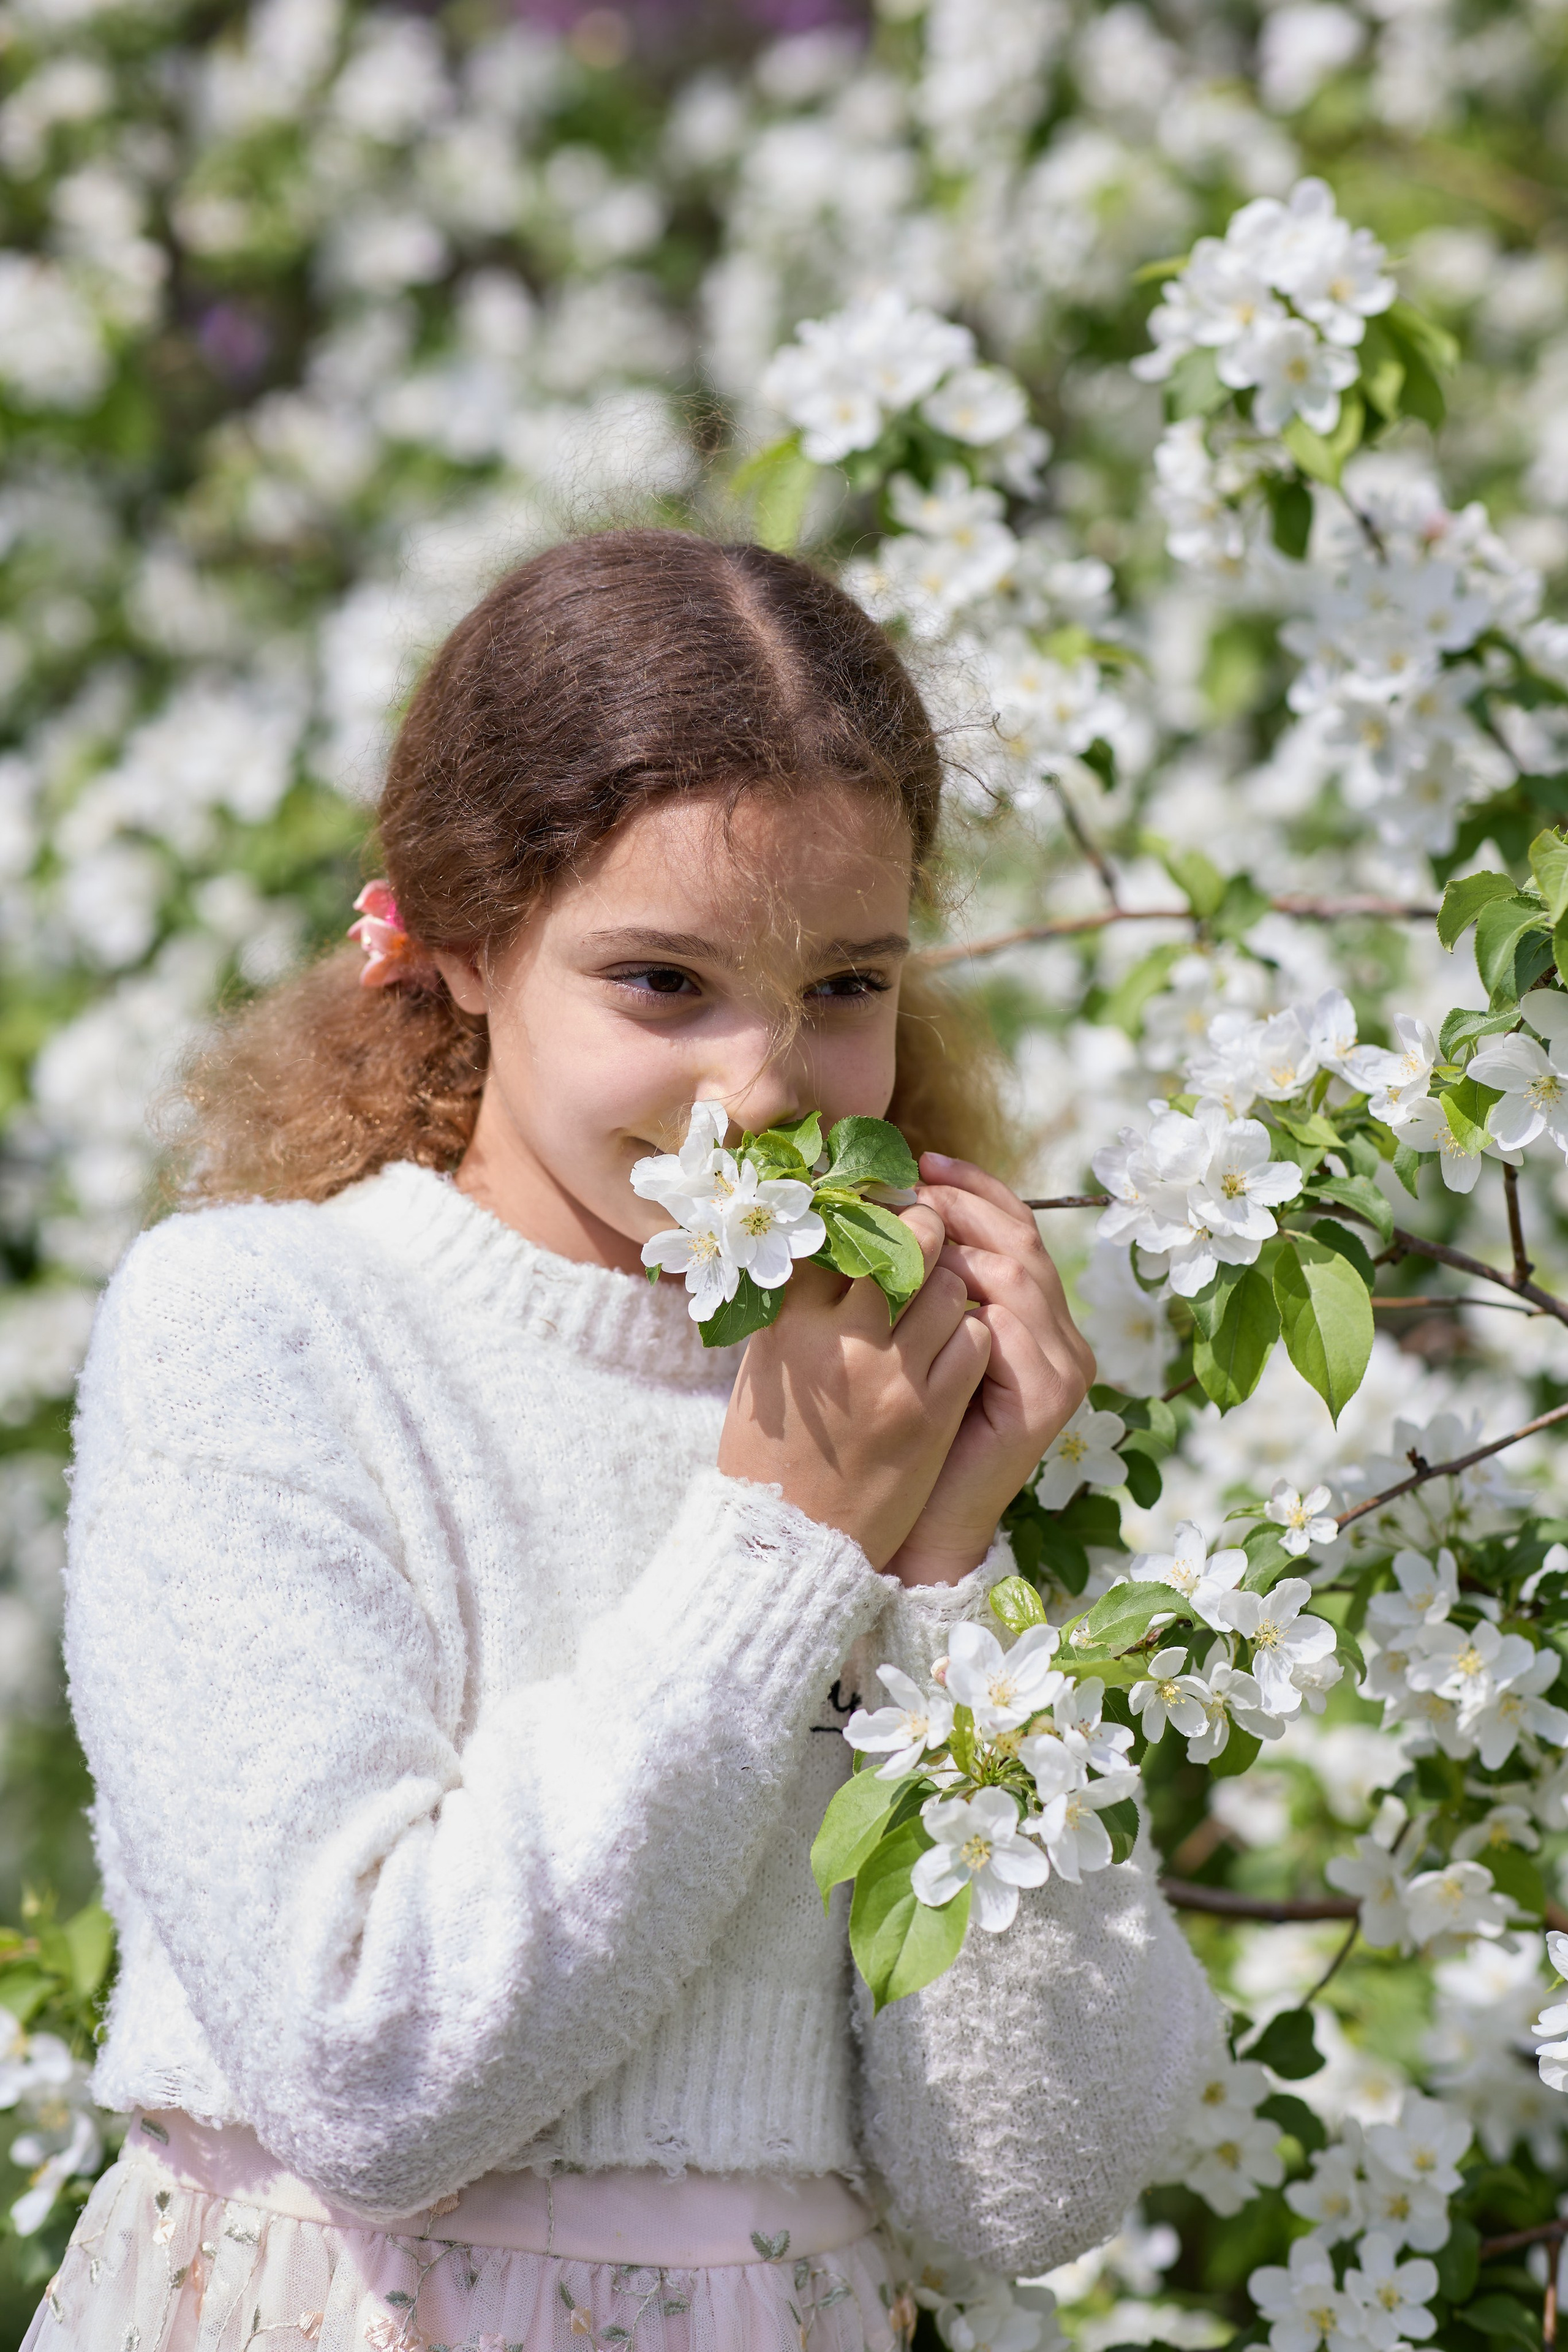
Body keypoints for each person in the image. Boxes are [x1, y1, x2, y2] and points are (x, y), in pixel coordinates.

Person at [30, 530, 1216, 2352]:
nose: (757, 1090)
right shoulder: (265, 1329)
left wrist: (954, 1584)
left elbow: (1026, 2189)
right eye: (664, 982)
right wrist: (782, 1543)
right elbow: (371, 2073)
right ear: (465, 942)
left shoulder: (899, 1398)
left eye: (843, 989)